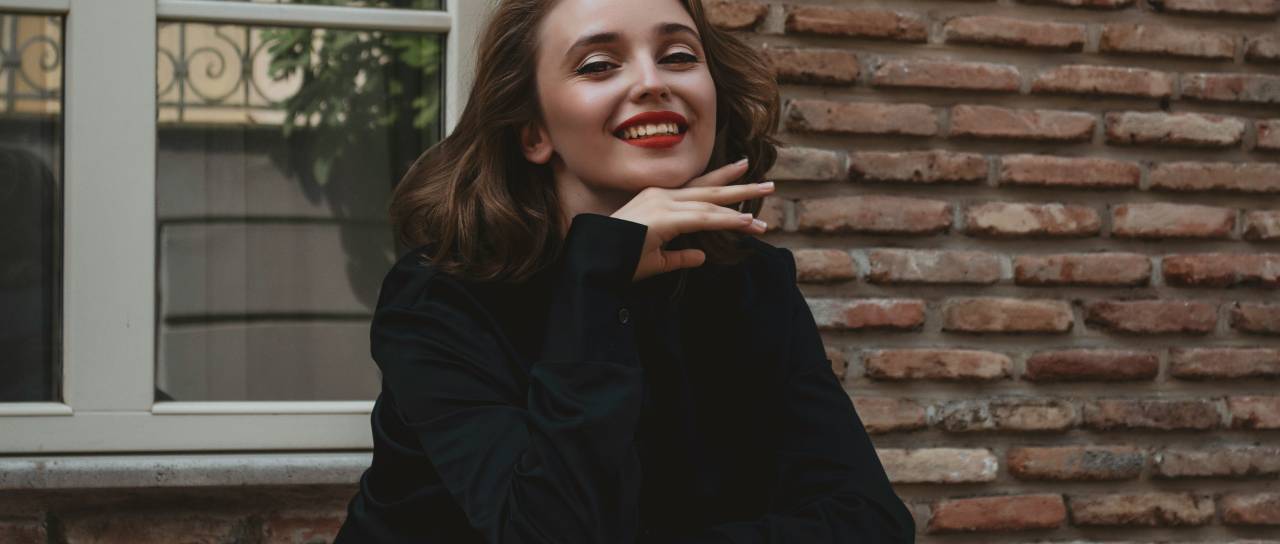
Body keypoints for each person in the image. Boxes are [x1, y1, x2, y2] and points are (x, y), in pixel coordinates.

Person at [334, 0, 915, 542]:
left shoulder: (751, 280)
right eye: (598, 65)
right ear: (534, 132)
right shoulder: (439, 297)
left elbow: (871, 521)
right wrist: (596, 279)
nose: (652, 82)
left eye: (679, 56)